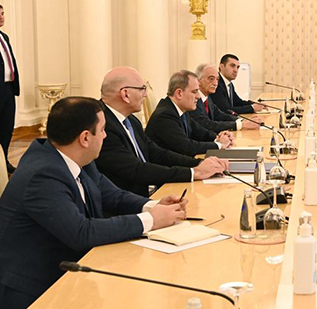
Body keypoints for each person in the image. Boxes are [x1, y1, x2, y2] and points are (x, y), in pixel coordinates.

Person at [0, 97, 189, 309]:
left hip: (72, 269)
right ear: (85, 138)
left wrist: (154, 206)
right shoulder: (42, 175)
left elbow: (114, 196)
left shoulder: (79, 159)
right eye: (103, 130)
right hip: (35, 289)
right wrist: (151, 220)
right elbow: (81, 233)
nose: (106, 136)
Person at [96, 67, 228, 197]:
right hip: (127, 202)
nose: (145, 94)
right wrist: (193, 172)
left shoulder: (131, 120)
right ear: (125, 94)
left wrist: (199, 164)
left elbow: (157, 153)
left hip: (144, 194)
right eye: (142, 89)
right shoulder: (102, 126)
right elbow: (136, 170)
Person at [145, 70, 234, 157]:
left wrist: (218, 137)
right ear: (179, 93)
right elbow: (187, 147)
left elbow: (199, 132)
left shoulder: (181, 109)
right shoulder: (164, 115)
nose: (198, 96)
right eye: (194, 92)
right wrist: (219, 144)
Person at [191, 63, 260, 132]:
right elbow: (207, 125)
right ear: (198, 80)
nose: (215, 83)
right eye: (211, 79)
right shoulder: (193, 100)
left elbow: (220, 115)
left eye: (217, 79)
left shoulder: (207, 97)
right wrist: (240, 125)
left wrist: (243, 120)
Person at [0, 5, 19, 175]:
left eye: (2, 13)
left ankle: (3, 161)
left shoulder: (4, 37)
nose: (1, 17)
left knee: (6, 127)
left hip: (8, 89)